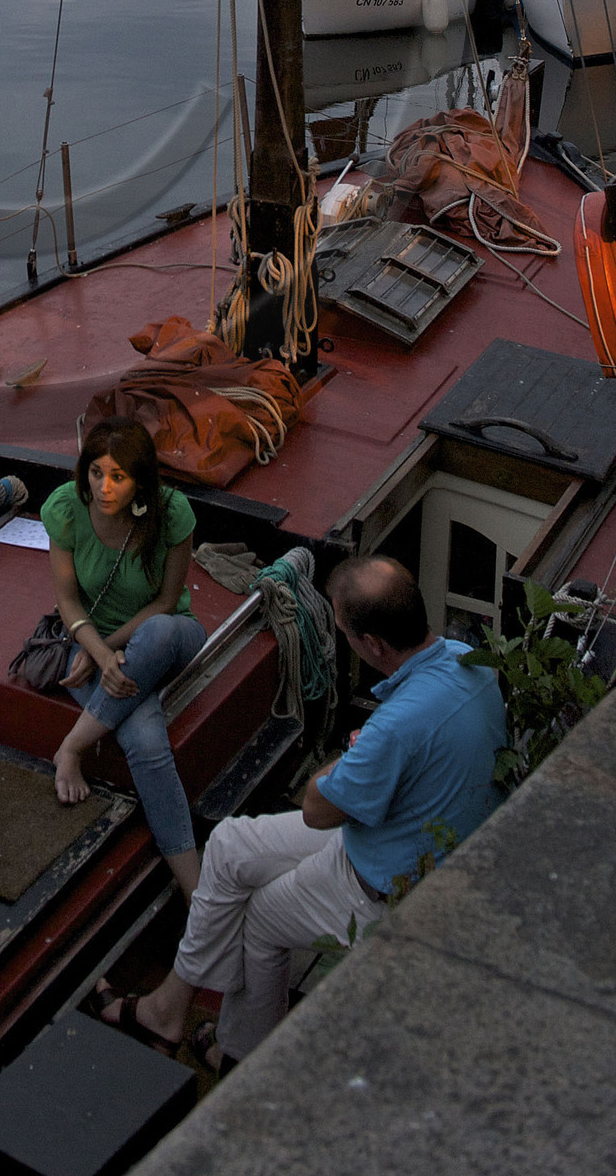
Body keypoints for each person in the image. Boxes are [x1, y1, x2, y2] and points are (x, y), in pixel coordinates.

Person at [98, 555, 505, 1069]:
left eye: (345, 633)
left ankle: (239, 1054)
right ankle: (170, 1006)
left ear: (373, 644)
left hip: (392, 883)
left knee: (262, 915)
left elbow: (316, 808)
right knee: (228, 846)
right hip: (414, 833)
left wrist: (354, 751)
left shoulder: (394, 727)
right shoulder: (469, 662)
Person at [41, 417, 206, 899]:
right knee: (145, 739)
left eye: (118, 476)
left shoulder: (172, 513)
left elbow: (166, 602)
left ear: (140, 480)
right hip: (91, 641)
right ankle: (197, 894)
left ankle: (71, 747)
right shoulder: (66, 508)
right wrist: (96, 649)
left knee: (156, 632)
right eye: (96, 473)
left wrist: (106, 653)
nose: (104, 487)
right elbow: (67, 601)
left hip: (166, 637)